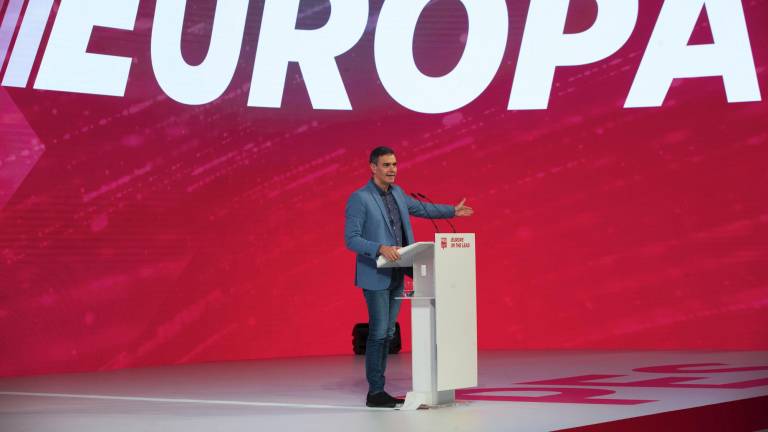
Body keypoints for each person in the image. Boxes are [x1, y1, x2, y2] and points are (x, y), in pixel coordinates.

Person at [344, 146, 474, 408]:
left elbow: (422, 209)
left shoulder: (399, 193)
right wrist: (379, 248)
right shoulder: (360, 198)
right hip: (376, 273)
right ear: (373, 167)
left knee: (389, 332)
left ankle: (379, 389)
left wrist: (451, 211)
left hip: (399, 272)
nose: (392, 169)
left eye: (394, 164)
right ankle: (375, 392)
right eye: (386, 165)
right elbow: (352, 239)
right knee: (379, 333)